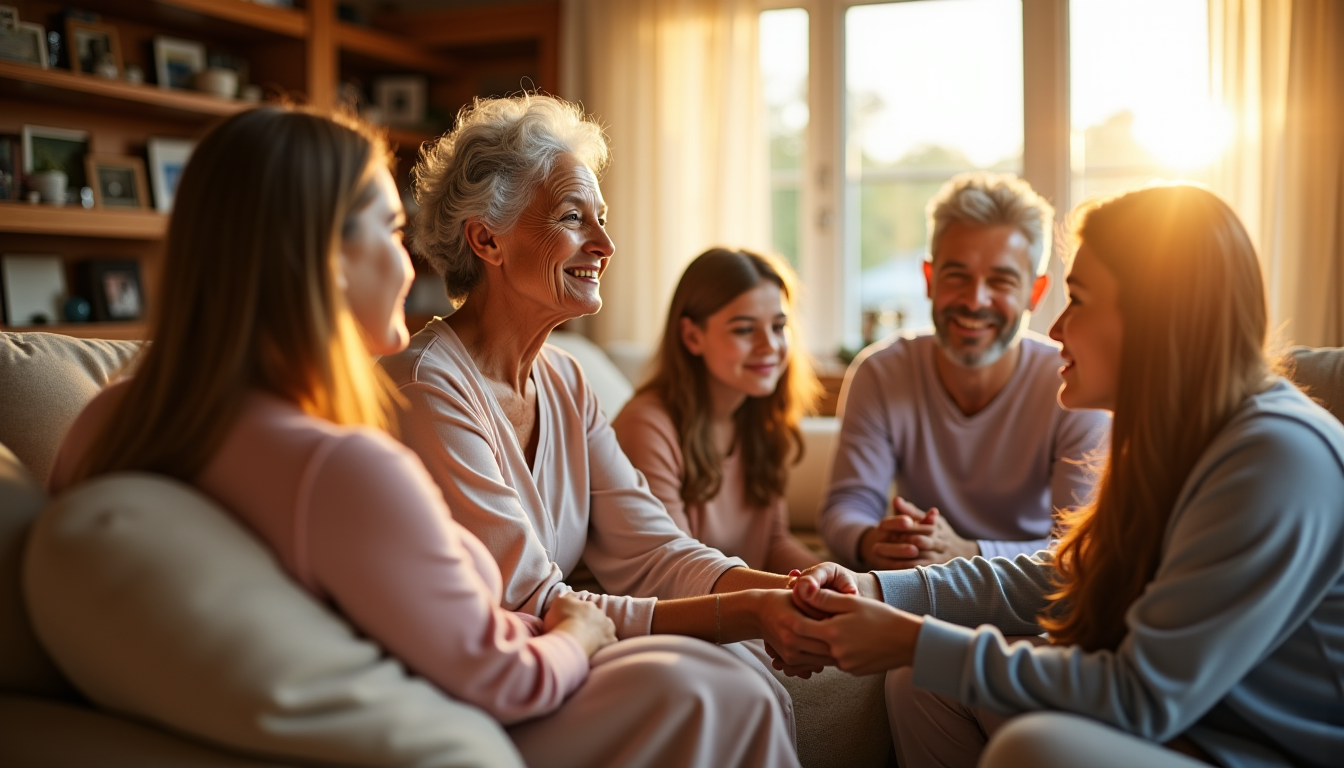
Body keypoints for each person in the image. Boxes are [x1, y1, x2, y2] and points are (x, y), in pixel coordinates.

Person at [47, 106, 800, 768]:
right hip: (465, 705)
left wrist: (775, 593)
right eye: (389, 229)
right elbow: (495, 657)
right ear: (319, 260)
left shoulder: (113, 417)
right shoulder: (349, 455)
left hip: (459, 671)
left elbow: (628, 557)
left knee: (728, 674)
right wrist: (580, 628)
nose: (411, 264)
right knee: (720, 687)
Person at [790, 183, 1344, 768]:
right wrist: (878, 590)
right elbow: (1073, 570)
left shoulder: (1277, 458)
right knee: (923, 680)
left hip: (1264, 749)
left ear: (1154, 316)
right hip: (1197, 726)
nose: (1055, 328)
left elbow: (1141, 696)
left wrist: (912, 639)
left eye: (1077, 300)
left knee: (1034, 745)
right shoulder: (1176, 437)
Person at [380, 94, 849, 723]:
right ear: (487, 239)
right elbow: (535, 602)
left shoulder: (567, 379)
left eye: (602, 219)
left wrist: (798, 592)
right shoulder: (427, 389)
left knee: (742, 672)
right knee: (726, 686)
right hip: (487, 682)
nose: (604, 243)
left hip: (558, 648)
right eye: (574, 217)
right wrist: (750, 612)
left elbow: (655, 550)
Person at [819, 172, 1110, 569]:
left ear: (1035, 293)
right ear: (929, 279)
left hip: (1024, 592)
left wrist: (967, 553)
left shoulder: (1074, 383)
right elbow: (845, 507)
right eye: (957, 276)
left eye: (1001, 281)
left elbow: (1078, 545)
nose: (975, 301)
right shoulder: (881, 372)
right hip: (914, 578)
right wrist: (875, 541)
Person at [612, 247, 822, 574]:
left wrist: (844, 581)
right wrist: (804, 591)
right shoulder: (646, 427)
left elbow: (774, 542)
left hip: (737, 595)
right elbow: (680, 570)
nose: (769, 346)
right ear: (692, 337)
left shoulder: (757, 417)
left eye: (778, 326)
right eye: (744, 329)